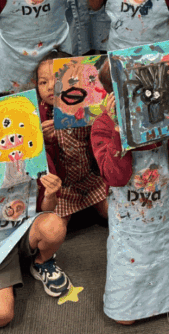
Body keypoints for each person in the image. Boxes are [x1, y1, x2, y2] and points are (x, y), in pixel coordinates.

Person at [91, 83, 169, 324]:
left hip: (165, 217)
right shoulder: (104, 125)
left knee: (167, 281)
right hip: (129, 226)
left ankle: (165, 296)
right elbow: (115, 177)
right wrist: (120, 129)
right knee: (124, 318)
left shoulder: (166, 117)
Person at [0, 155, 71, 327]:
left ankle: (42, 262)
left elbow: (47, 210)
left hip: (26, 232)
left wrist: (50, 195)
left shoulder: (38, 162)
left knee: (54, 226)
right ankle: (6, 274)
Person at [36, 51, 109, 223]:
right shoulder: (37, 116)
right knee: (55, 226)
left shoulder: (86, 106)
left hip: (90, 179)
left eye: (56, 81)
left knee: (113, 214)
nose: (50, 87)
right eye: (43, 82)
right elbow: (36, 161)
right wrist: (45, 141)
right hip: (61, 188)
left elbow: (98, 142)